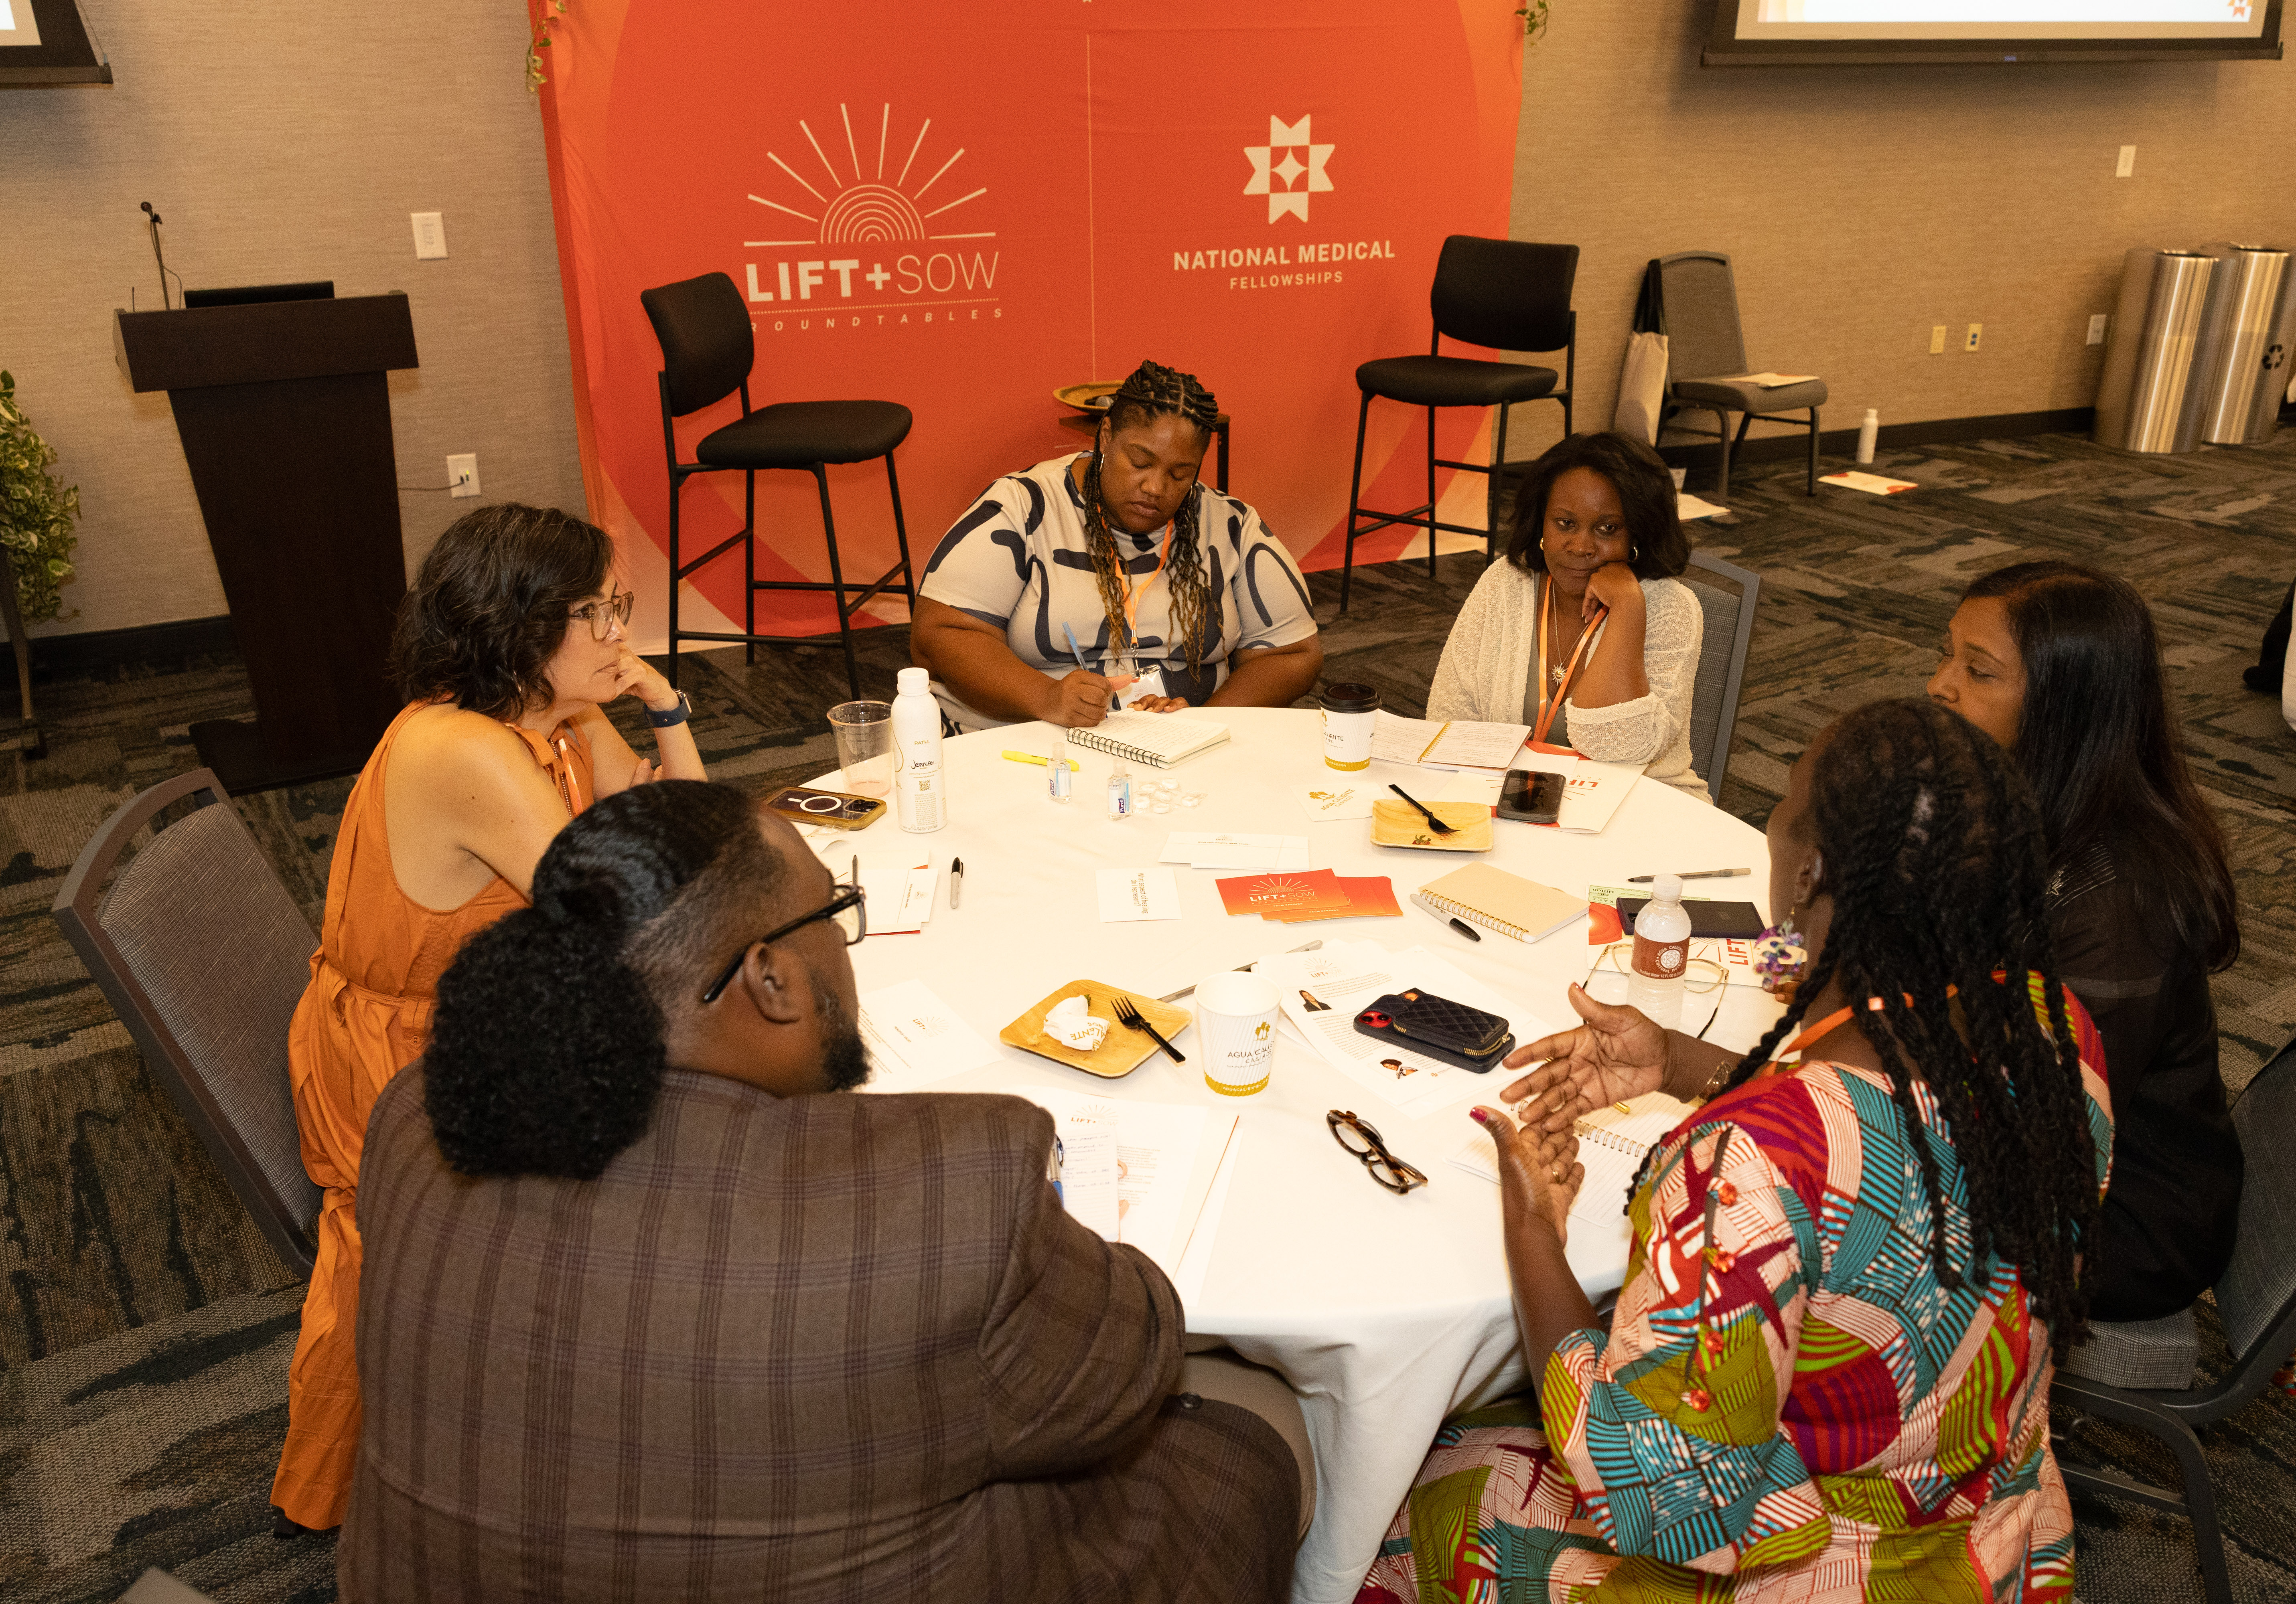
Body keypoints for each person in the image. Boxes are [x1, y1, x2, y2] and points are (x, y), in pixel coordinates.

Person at [341, 782, 1302, 1600]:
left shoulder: (416, 1119)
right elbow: (1127, 1371)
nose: (848, 945)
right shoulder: (950, 1189)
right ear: (770, 979)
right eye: (834, 915)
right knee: (1266, 1423)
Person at [1359, 699, 2113, 1603]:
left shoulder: (1748, 1162)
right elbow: (1883, 1142)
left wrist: (1532, 1228)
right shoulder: (2051, 1027)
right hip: (1988, 1534)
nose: (1775, 821)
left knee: (1393, 1487)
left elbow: (1657, 1498)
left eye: (1786, 804)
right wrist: (1681, 1061)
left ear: (1811, 871)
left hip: (1813, 1574)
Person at [272, 503, 706, 1535]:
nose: (619, 635)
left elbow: (684, 840)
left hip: (493, 1011)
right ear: (518, 627)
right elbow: (633, 919)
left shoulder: (556, 715)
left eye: (618, 606)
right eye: (597, 613)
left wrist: (669, 704)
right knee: (689, 1133)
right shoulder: (462, 748)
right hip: (407, 1068)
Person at [1929, 559, 2243, 1320]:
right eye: (1948, 653)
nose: (1941, 683)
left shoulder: (2116, 910)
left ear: (2061, 710)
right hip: (2012, 1126)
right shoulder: (2026, 794)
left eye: (1979, 672)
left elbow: (2040, 1146)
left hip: (2116, 1219)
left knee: (1794, 1212)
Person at [911, 358, 1324, 730]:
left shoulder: (1230, 525)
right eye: (1140, 462)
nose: (1156, 487)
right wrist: (1046, 697)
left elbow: (1292, 655)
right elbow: (940, 633)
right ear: (1106, 437)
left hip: (1177, 750)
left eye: (1181, 474)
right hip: (1029, 736)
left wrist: (1205, 723)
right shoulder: (1021, 508)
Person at [1426, 431, 1705, 796]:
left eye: (1607, 529)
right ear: (1541, 522)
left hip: (1640, 806)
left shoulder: (1671, 607)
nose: (1580, 547)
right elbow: (1448, 721)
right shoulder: (1507, 582)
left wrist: (1628, 610)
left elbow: (1619, 750)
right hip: (1512, 800)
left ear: (1639, 532)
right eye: (1565, 524)